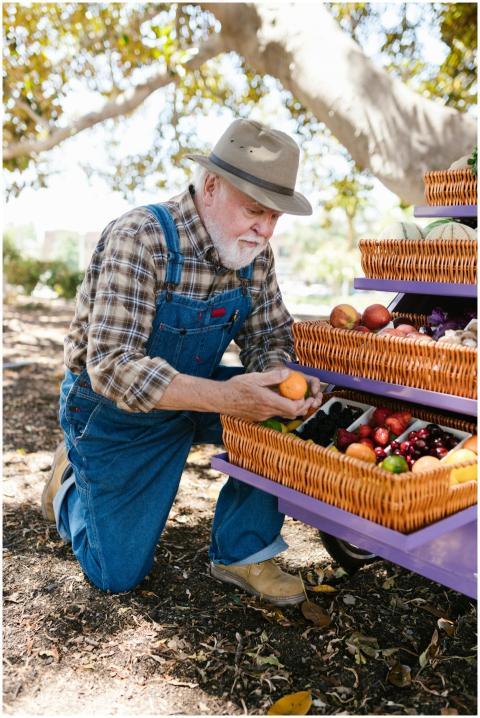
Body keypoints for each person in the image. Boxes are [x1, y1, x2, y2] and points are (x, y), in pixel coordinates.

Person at [41, 118, 323, 606]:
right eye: (256, 210)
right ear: (210, 186)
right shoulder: (141, 237)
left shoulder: (256, 255)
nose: (266, 228)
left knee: (285, 420)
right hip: (116, 412)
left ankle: (243, 552)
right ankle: (68, 487)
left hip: (197, 396)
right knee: (117, 574)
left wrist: (279, 378)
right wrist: (227, 398)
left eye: (275, 216)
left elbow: (270, 333)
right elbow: (110, 366)